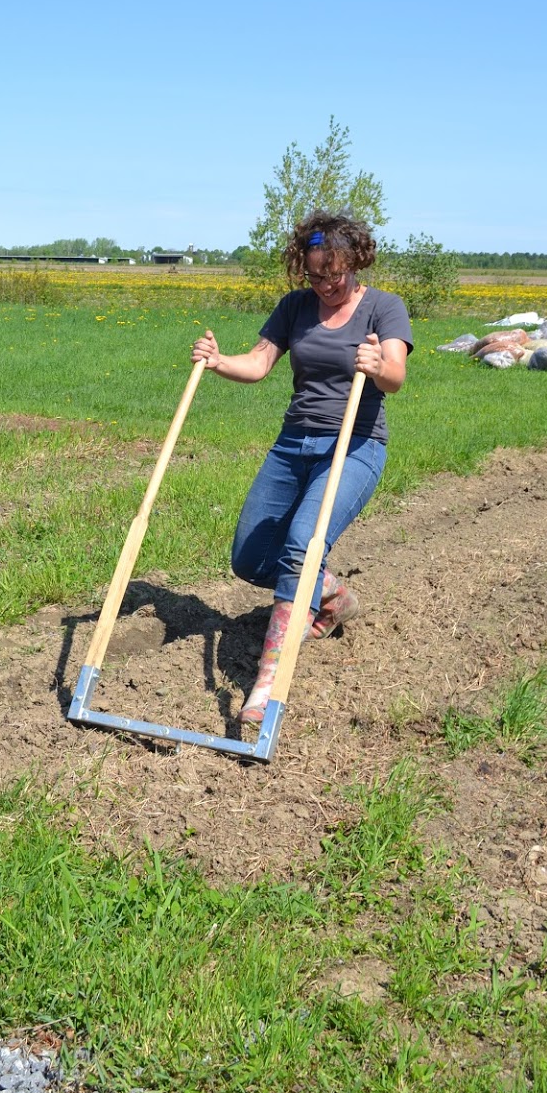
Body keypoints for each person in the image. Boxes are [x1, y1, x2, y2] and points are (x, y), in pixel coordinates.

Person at [191, 210, 413, 723]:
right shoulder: (295, 307)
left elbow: (397, 374)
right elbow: (259, 362)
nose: (326, 285)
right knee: (249, 559)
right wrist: (218, 360)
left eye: (334, 275)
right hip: (294, 443)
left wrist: (379, 366)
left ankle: (265, 685)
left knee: (300, 548)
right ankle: (328, 592)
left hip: (354, 445)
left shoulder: (383, 308)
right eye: (315, 275)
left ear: (354, 262)